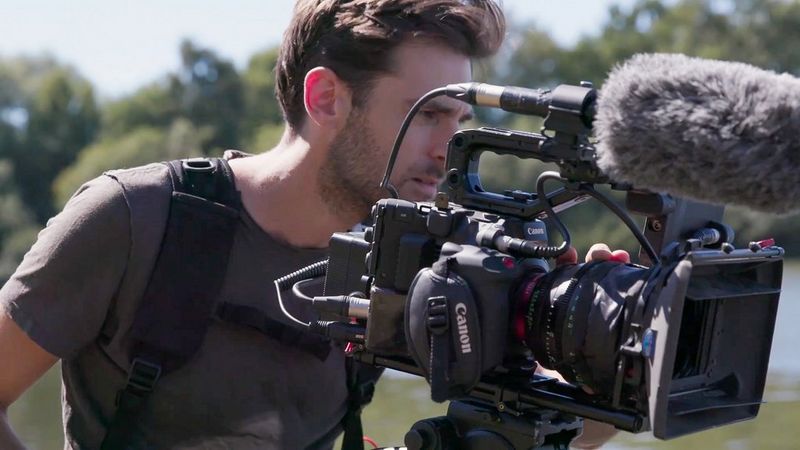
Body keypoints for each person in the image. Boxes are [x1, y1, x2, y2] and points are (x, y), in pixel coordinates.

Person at [0, 1, 617, 448]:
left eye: (458, 118)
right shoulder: (134, 219)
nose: (448, 148)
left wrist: (603, 349)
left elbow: (535, 437)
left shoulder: (433, 260)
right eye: (428, 115)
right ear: (325, 98)